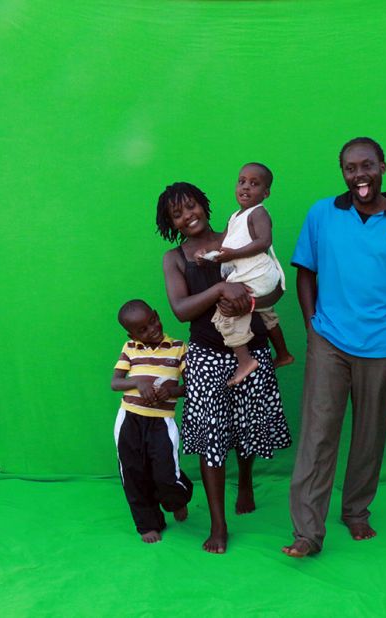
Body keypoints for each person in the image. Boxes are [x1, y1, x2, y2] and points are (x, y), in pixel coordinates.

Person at [284, 137, 386, 558]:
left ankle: (356, 512)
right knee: (317, 436)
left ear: (383, 167)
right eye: (350, 168)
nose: (359, 175)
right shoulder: (322, 213)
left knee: (369, 437)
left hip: (383, 347)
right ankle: (307, 533)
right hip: (329, 340)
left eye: (366, 165)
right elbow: (305, 273)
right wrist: (311, 328)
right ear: (343, 173)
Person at [158, 181, 291, 554]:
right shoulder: (175, 258)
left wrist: (247, 304)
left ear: (204, 204)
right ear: (171, 223)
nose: (188, 216)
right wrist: (219, 291)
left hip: (253, 347)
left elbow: (276, 288)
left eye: (192, 207)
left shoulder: (238, 234)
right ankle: (219, 524)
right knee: (212, 437)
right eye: (177, 214)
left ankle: (245, 481)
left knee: (246, 427)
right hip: (205, 355)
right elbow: (181, 309)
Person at [195, 162, 293, 384]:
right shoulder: (235, 216)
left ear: (266, 193)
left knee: (225, 311)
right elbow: (224, 244)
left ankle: (245, 360)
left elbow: (264, 241)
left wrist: (232, 255)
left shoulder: (258, 213)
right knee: (267, 313)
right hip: (258, 275)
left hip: (256, 273)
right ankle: (284, 354)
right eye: (242, 182)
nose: (246, 187)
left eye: (254, 184)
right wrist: (206, 254)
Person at [110, 299, 193, 543]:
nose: (152, 329)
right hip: (129, 419)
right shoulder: (130, 348)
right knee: (133, 472)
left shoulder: (178, 348)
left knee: (166, 474)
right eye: (142, 330)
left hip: (161, 422)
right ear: (131, 334)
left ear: (156, 315)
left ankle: (178, 499)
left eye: (153, 321)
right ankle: (148, 523)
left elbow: (191, 387)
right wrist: (137, 382)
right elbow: (115, 383)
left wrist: (171, 391)